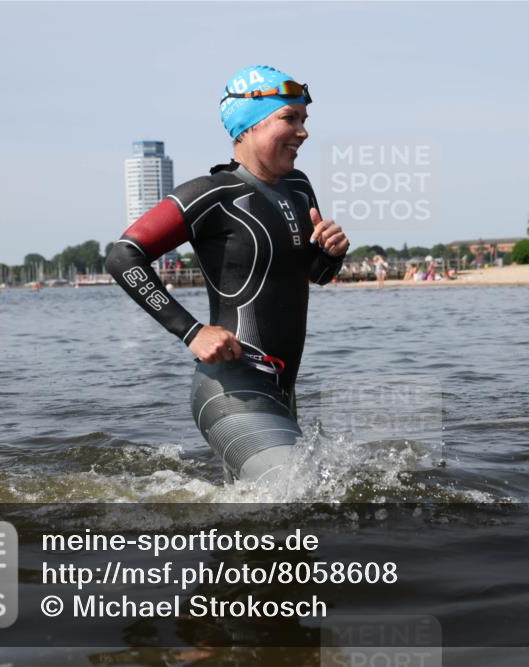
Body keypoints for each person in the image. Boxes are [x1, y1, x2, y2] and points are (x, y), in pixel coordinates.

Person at [106, 66, 349, 484]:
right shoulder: (212, 194)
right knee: (304, 492)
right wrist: (193, 332)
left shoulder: (299, 187)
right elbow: (123, 257)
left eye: (304, 119)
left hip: (281, 393)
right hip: (230, 389)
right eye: (289, 118)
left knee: (279, 509)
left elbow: (314, 275)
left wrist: (330, 254)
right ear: (249, 126)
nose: (303, 132)